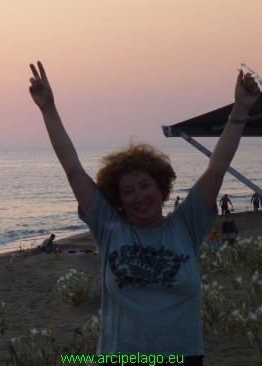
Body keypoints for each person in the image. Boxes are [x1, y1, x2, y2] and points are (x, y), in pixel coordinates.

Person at [29, 60, 259, 364]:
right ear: (118, 200)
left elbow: (217, 167)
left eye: (145, 185)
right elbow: (73, 169)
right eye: (128, 191)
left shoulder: (185, 224)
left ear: (161, 188)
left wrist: (240, 110)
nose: (139, 196)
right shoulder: (109, 227)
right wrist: (48, 109)